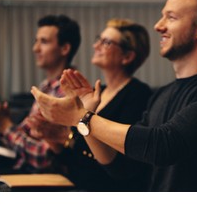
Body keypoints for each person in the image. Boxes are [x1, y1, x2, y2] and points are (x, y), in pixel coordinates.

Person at [31, 0, 197, 192]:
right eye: (162, 16)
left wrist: (82, 118)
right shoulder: (162, 94)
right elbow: (121, 166)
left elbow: (165, 145)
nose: (158, 26)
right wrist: (86, 118)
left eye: (171, 17)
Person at [30, 19, 153, 191]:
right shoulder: (97, 91)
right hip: (75, 184)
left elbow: (121, 166)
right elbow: (73, 157)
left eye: (107, 42)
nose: (96, 46)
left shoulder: (138, 94)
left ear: (127, 56)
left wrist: (68, 139)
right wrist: (53, 139)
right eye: (98, 39)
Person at [0, 14, 80, 188]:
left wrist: (5, 127)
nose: (35, 48)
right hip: (21, 167)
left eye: (44, 42)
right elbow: (22, 140)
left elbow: (44, 158)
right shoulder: (46, 86)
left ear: (65, 48)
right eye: (36, 41)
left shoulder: (67, 92)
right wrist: (0, 124)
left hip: (41, 177)